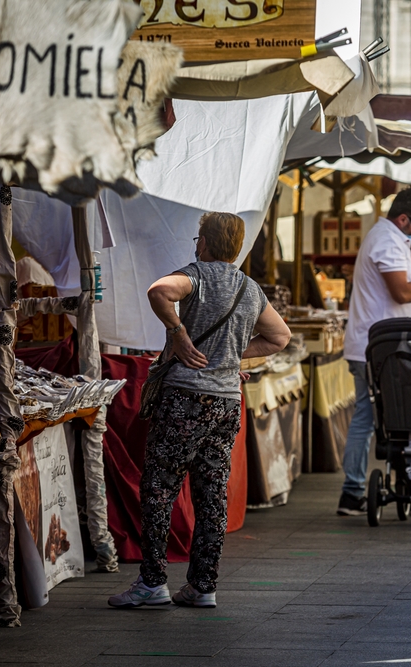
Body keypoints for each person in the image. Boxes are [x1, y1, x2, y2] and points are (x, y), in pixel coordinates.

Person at [108, 212, 292, 609]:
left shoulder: (197, 275)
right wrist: (231, 356)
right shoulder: (249, 288)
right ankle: (203, 586)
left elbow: (159, 290)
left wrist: (177, 332)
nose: (196, 244)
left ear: (205, 242)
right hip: (226, 403)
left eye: (198, 238)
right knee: (212, 494)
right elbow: (280, 336)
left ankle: (152, 581)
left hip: (185, 400)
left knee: (158, 489)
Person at [338, 189, 411, 516]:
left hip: (377, 346)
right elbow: (402, 291)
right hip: (377, 350)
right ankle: (383, 488)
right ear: (403, 219)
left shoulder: (389, 238)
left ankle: (362, 491)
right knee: (399, 416)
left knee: (380, 416)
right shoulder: (387, 241)